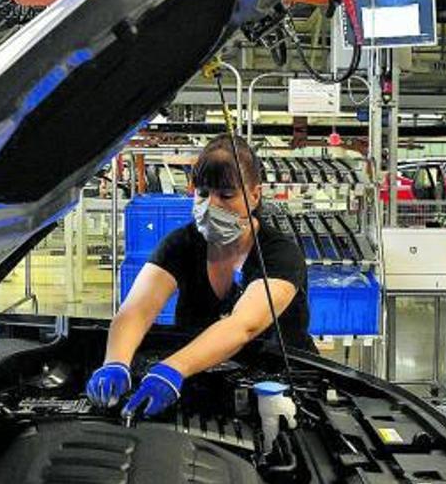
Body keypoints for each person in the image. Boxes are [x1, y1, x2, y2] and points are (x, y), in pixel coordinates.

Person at [85, 135, 314, 419]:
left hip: (281, 393)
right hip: (202, 384)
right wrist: (116, 362)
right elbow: (136, 310)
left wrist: (173, 368)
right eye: (203, 193)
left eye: (226, 195)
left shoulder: (280, 254)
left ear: (254, 195)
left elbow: (244, 325)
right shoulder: (181, 244)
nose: (211, 205)